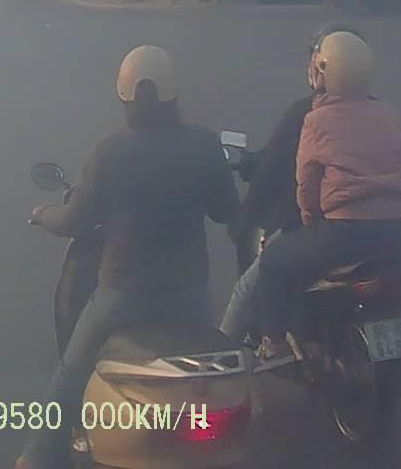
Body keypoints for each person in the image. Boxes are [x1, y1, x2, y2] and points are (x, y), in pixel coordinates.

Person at [16, 46, 240, 469]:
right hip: (188, 297)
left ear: (124, 97)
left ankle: (36, 458)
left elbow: (76, 220)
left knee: (70, 375)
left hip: (121, 298)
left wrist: (43, 214)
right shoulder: (204, 144)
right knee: (205, 380)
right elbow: (228, 211)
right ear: (174, 95)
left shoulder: (110, 151)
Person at [255, 31, 401, 366]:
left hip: (344, 232)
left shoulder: (316, 119)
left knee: (273, 264)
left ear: (324, 71)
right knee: (390, 299)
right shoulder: (388, 113)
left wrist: (310, 221)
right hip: (396, 230)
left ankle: (274, 344)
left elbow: (307, 183)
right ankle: (397, 369)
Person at [218, 23, 366, 342]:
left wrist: (243, 219)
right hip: (380, 232)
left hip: (324, 231)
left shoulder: (307, 115)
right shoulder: (380, 112)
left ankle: (230, 354)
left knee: (249, 286)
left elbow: (276, 174)